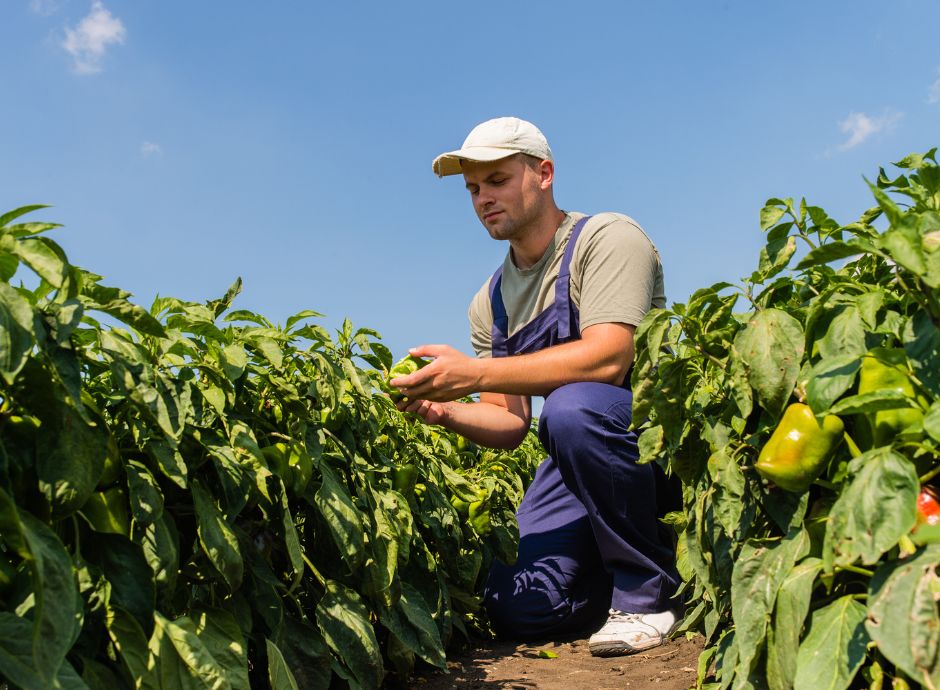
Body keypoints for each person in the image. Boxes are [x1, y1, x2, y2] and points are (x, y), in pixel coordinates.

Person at [390, 116, 681, 656]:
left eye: (497, 181)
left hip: (658, 441)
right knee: (516, 603)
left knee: (571, 409)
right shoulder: (492, 301)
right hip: (581, 457)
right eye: (473, 189)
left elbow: (609, 359)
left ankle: (646, 594)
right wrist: (444, 410)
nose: (483, 199)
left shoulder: (607, 238)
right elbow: (509, 422)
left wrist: (474, 374)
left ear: (542, 174)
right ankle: (636, 570)